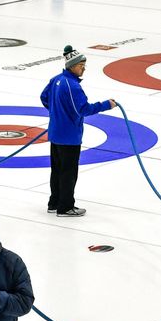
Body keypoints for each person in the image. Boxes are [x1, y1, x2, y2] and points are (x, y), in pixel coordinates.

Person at [39, 45, 117, 217]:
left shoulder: (56, 79)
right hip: (69, 136)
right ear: (72, 65)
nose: (83, 68)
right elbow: (82, 109)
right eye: (81, 65)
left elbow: (44, 97)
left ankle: (54, 202)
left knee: (57, 170)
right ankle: (65, 207)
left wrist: (56, 112)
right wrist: (106, 105)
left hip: (56, 133)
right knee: (68, 172)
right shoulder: (73, 86)